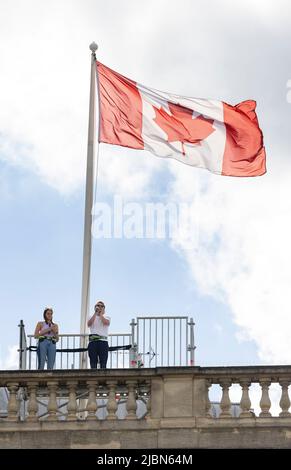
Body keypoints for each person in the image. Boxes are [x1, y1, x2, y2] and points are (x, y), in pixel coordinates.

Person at [87, 300, 110, 369]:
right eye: (97, 306)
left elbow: (106, 323)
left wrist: (100, 314)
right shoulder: (91, 317)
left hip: (103, 342)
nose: (99, 307)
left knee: (103, 363)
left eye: (101, 306)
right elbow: (89, 324)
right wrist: (95, 313)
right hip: (93, 342)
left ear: (104, 308)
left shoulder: (107, 317)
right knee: (93, 362)